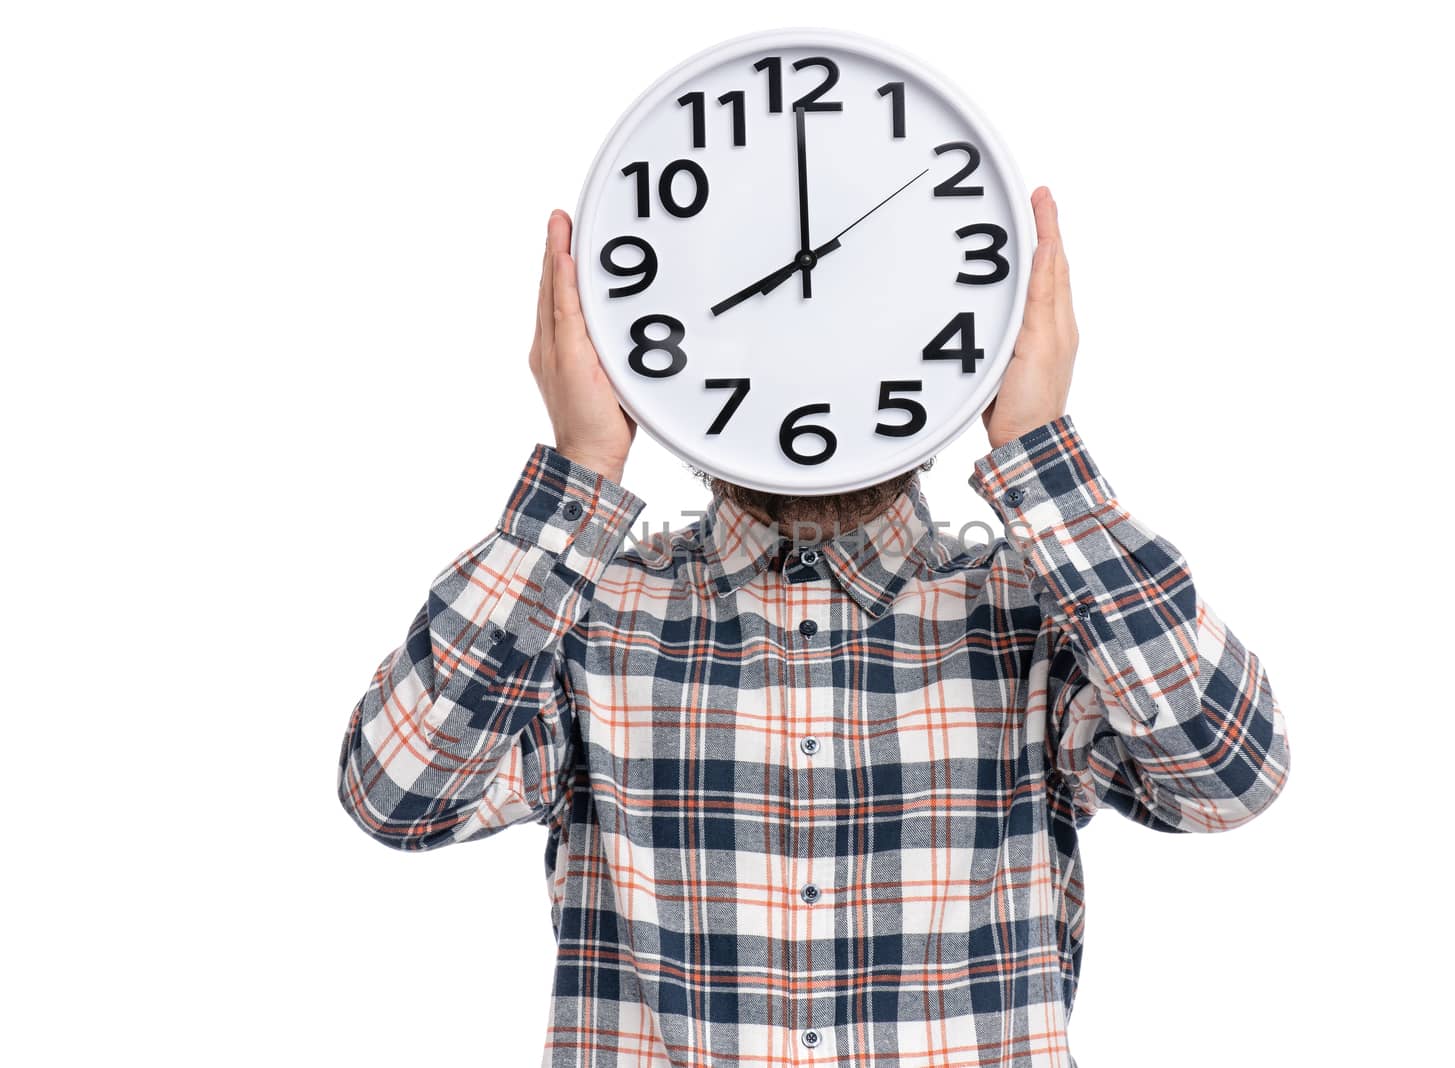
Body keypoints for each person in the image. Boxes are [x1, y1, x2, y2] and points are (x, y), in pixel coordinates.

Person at [335, 187, 1290, 1068]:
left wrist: (1040, 455)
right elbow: (397, 790)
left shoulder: (1032, 614)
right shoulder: (591, 619)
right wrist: (583, 469)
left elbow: (1228, 774)